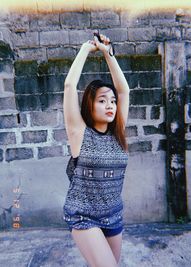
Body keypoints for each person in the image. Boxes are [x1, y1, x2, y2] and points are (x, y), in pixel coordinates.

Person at [63, 32, 130, 267]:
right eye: (102, 100)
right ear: (89, 106)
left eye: (112, 101)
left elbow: (124, 91)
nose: (110, 105)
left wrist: (108, 53)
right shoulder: (79, 134)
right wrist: (86, 49)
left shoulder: (117, 133)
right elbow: (70, 85)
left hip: (113, 215)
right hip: (84, 216)